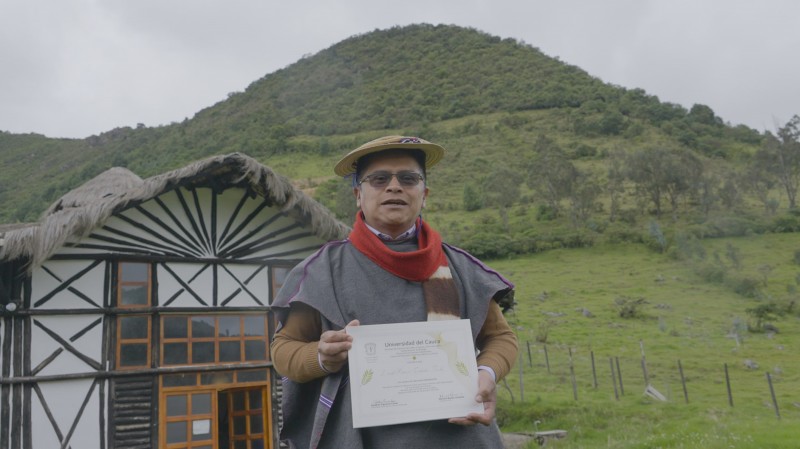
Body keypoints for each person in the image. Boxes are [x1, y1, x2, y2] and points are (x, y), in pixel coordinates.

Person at [270, 135, 518, 448]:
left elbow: (501, 338)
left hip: (459, 437)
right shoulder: (323, 271)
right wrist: (321, 357)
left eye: (408, 178)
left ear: (424, 194)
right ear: (358, 194)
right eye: (379, 179)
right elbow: (283, 350)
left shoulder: (460, 268)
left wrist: (487, 372)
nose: (394, 186)